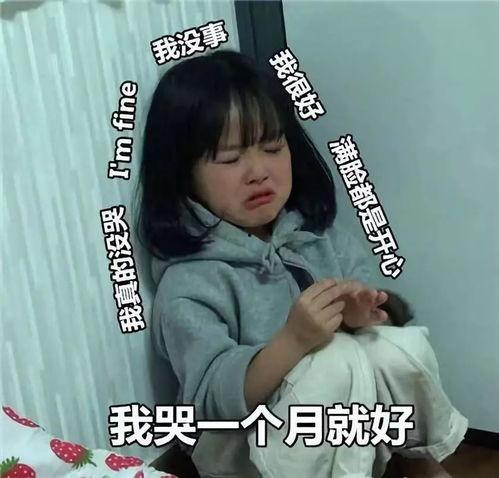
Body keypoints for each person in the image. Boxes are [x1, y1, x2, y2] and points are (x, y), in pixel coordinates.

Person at [135, 49, 468, 478]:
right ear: (183, 173)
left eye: (273, 147)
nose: (258, 171)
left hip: (340, 430)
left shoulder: (319, 236)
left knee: (396, 345)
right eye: (231, 159)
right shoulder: (191, 281)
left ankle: (419, 461)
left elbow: (388, 319)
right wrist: (292, 341)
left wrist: (368, 314)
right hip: (246, 451)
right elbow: (211, 406)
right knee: (336, 357)